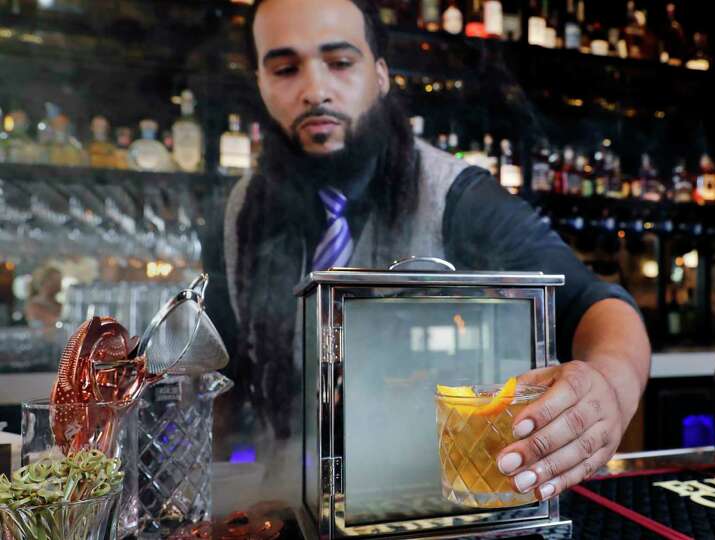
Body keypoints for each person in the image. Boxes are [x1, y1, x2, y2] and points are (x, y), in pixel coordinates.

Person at [212, 0, 651, 502]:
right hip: (284, 504)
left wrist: (610, 390)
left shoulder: (454, 194)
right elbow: (221, 376)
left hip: (430, 508)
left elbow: (597, 303)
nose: (315, 91)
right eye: (286, 69)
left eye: (340, 63)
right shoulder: (242, 209)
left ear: (379, 75)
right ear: (262, 84)